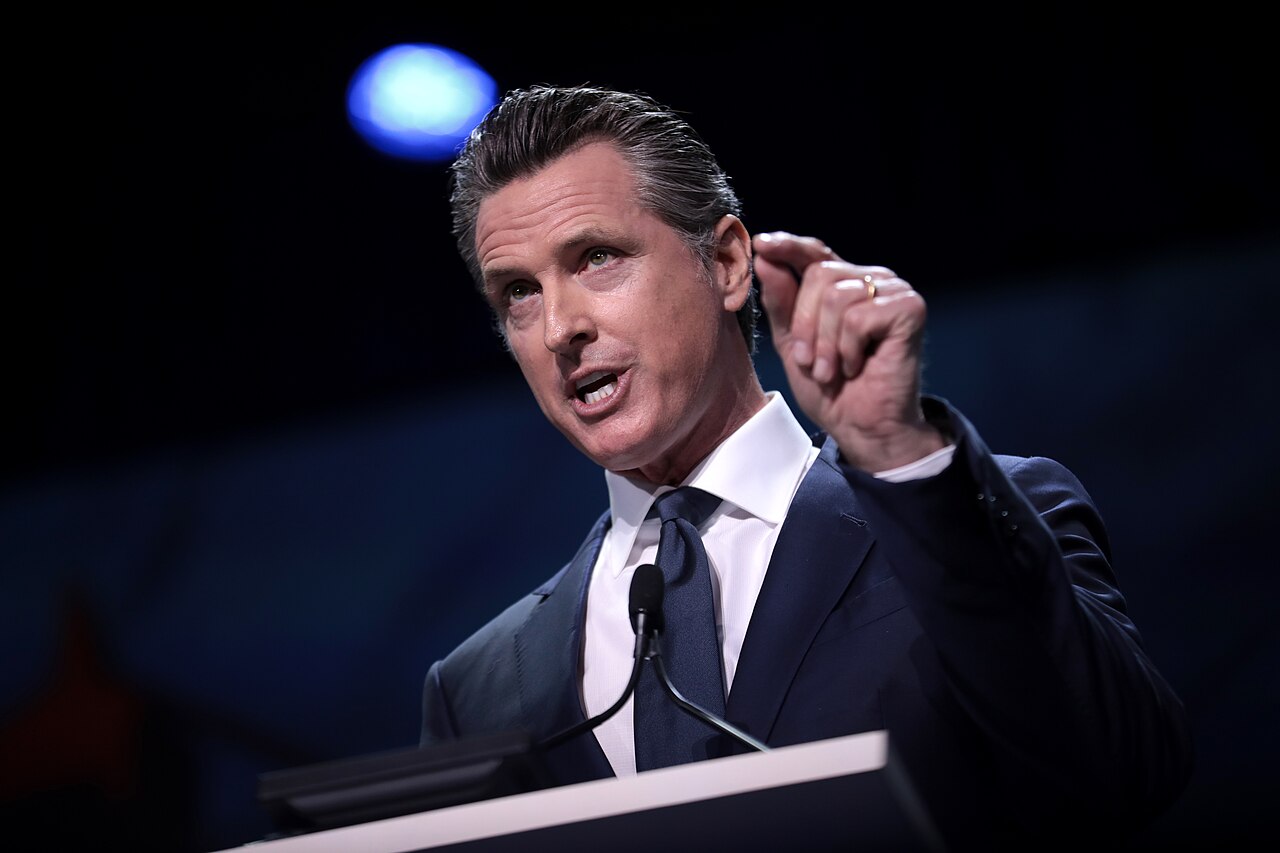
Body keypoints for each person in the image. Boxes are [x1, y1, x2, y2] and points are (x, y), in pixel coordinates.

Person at [419, 84, 1192, 849]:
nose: (559, 328)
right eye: (519, 292)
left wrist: (898, 454)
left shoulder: (967, 518)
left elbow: (1123, 771)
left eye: (596, 258)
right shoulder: (477, 689)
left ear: (727, 263)